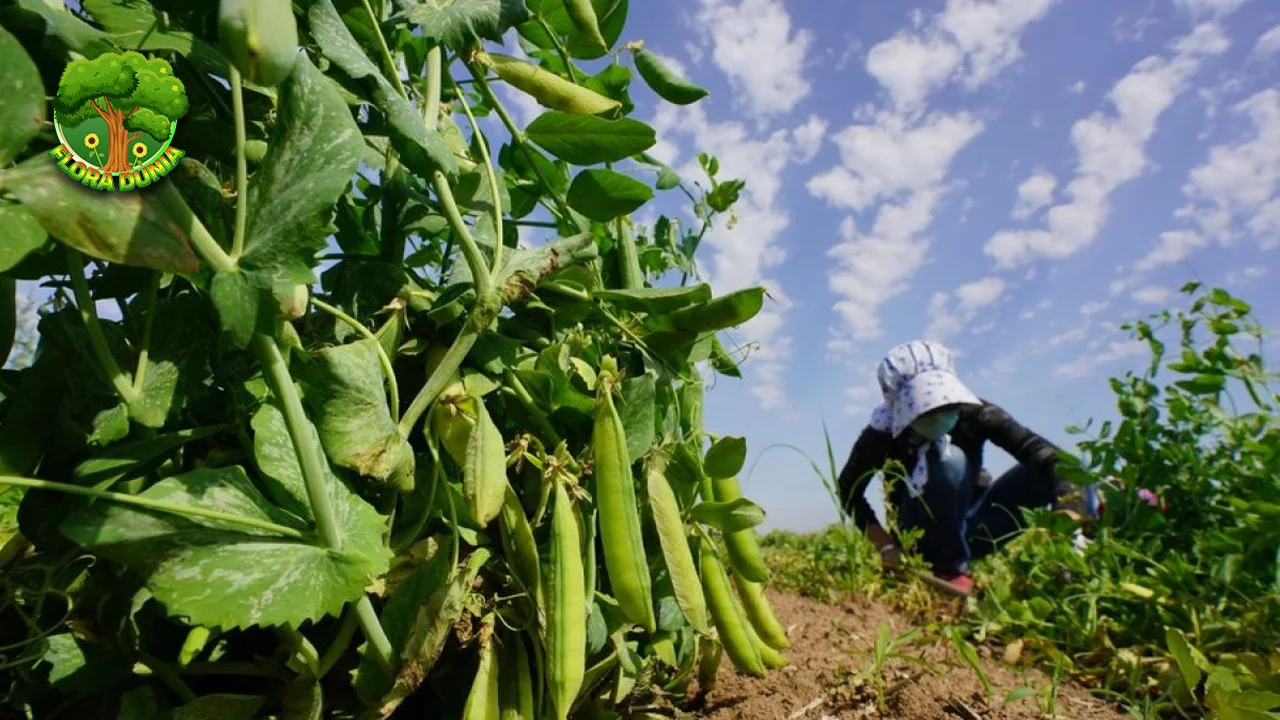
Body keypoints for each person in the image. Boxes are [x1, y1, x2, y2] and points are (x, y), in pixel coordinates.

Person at [836, 340, 1096, 597]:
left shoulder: (978, 414)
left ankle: (1078, 558)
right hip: (920, 534)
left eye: (945, 405)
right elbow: (848, 489)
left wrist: (1068, 512)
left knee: (1070, 467)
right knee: (949, 460)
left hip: (973, 527)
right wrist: (886, 546)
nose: (939, 414)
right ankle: (946, 568)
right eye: (926, 410)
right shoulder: (882, 434)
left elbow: (1049, 458)